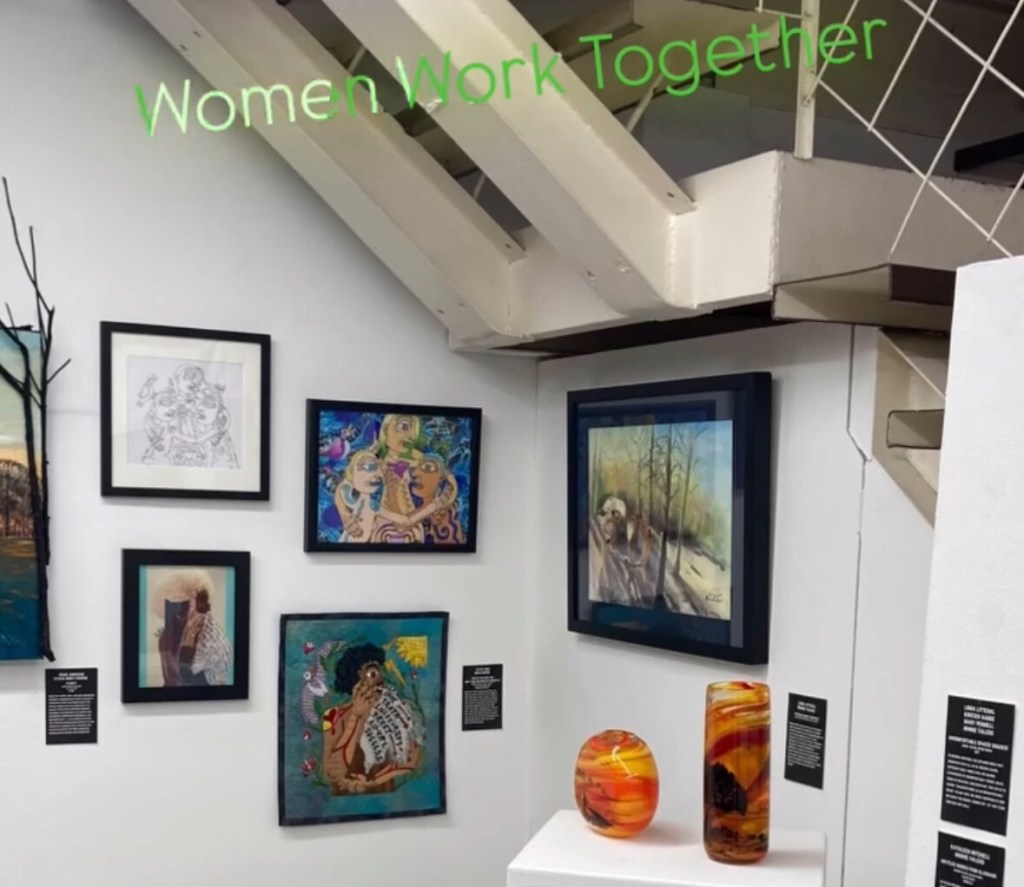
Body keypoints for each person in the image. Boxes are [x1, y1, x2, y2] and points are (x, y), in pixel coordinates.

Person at [322, 643, 424, 795]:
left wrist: (372, 782)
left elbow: (411, 760)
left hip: (384, 795)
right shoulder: (334, 715)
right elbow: (333, 772)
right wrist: (356, 717)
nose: (380, 679)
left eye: (378, 671)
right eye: (372, 673)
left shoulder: (393, 709)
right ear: (356, 679)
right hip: (344, 798)